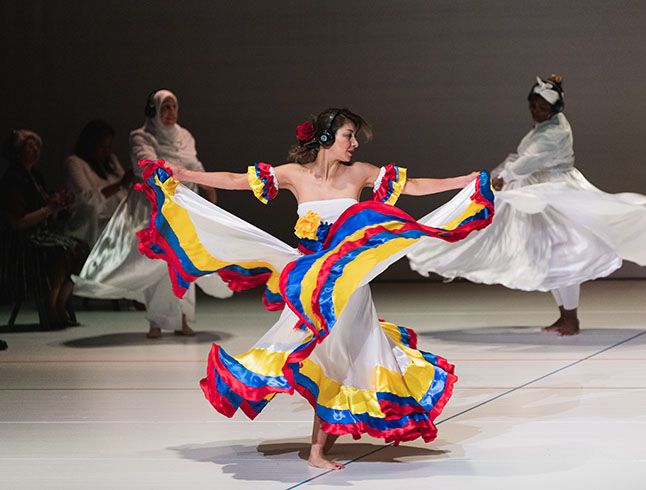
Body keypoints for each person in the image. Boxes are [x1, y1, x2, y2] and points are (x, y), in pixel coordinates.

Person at [134, 108, 494, 469]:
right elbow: (235, 179)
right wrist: (182, 174)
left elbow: (413, 185)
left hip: (349, 288)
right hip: (308, 287)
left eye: (354, 137)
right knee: (311, 357)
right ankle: (319, 449)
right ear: (325, 138)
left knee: (347, 360)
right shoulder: (294, 175)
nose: (354, 144)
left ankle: (318, 450)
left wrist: (462, 180)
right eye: (348, 135)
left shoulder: (360, 173)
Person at [407, 75, 646, 336]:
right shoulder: (549, 124)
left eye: (542, 107)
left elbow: (526, 162)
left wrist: (501, 177)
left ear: (554, 108)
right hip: (544, 192)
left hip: (556, 193)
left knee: (564, 254)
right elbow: (523, 161)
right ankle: (567, 315)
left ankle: (571, 317)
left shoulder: (553, 132)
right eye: (533, 105)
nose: (536, 111)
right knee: (552, 255)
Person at [72, 89, 229, 338]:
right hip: (152, 205)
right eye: (164, 107)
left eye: (173, 107)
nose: (170, 113)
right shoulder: (141, 136)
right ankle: (156, 322)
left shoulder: (184, 136)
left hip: (183, 204)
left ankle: (182, 319)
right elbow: (147, 165)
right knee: (157, 262)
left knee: (182, 261)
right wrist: (178, 177)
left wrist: (208, 188)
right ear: (153, 110)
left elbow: (195, 165)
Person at [0, 130, 88, 328]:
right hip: (21, 241)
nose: (35, 149)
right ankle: (50, 306)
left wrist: (59, 204)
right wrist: (48, 209)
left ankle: (60, 302)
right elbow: (17, 222)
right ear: (16, 151)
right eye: (29, 146)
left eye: (36, 146)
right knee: (60, 250)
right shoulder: (14, 179)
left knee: (81, 248)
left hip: (40, 234)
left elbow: (47, 211)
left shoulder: (35, 176)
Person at [64, 119, 133, 246]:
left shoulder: (111, 162)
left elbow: (126, 191)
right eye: (102, 147)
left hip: (120, 222)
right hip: (94, 227)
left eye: (109, 147)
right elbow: (86, 200)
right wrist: (120, 185)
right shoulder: (75, 163)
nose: (106, 152)